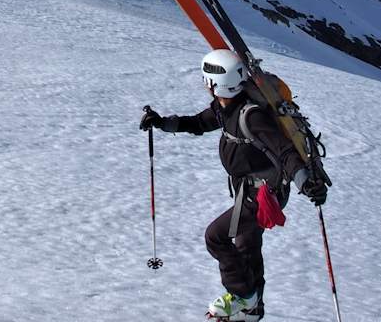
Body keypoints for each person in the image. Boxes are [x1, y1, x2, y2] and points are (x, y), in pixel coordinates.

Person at [141, 49, 329, 321]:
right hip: (247, 190)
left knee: (216, 236)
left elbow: (285, 151)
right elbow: (198, 123)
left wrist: (306, 183)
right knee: (246, 247)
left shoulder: (251, 115)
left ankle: (241, 296)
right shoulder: (225, 106)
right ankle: (253, 311)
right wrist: (162, 123)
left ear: (214, 83)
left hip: (264, 195)